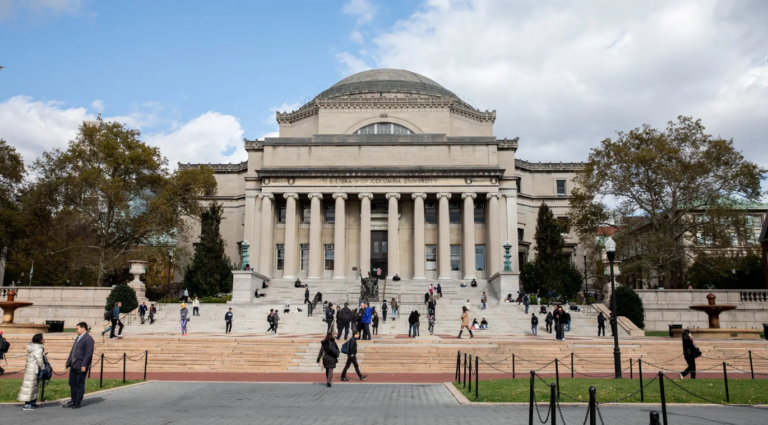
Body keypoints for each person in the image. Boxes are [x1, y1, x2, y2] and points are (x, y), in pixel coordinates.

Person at [63, 322, 93, 409]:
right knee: (72, 383)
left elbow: (88, 353)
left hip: (81, 365)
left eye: (77, 329)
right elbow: (73, 351)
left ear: (83, 328)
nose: (76, 330)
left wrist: (84, 365)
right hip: (74, 364)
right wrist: (68, 363)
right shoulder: (78, 338)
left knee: (80, 383)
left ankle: (78, 401)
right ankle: (73, 399)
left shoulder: (88, 339)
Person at [19, 333, 46, 410]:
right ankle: (28, 404)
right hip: (34, 369)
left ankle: (32, 403)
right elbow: (39, 360)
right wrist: (43, 368)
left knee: (34, 386)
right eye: (43, 338)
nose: (44, 339)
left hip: (30, 368)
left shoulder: (32, 347)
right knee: (30, 386)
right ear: (40, 340)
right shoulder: (38, 348)